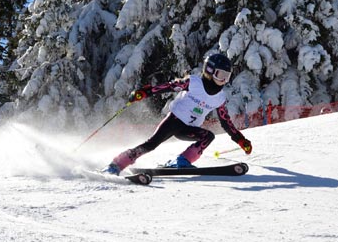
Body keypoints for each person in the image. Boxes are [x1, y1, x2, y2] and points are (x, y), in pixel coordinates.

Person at [105, 52, 253, 174]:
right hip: (174, 121)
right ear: (209, 71)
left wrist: (240, 140)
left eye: (227, 76)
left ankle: (182, 161)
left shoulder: (219, 98)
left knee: (208, 136)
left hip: (188, 129)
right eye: (221, 75)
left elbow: (226, 122)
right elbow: (169, 86)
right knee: (151, 144)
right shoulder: (193, 83)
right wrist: (145, 92)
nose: (224, 80)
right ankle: (117, 164)